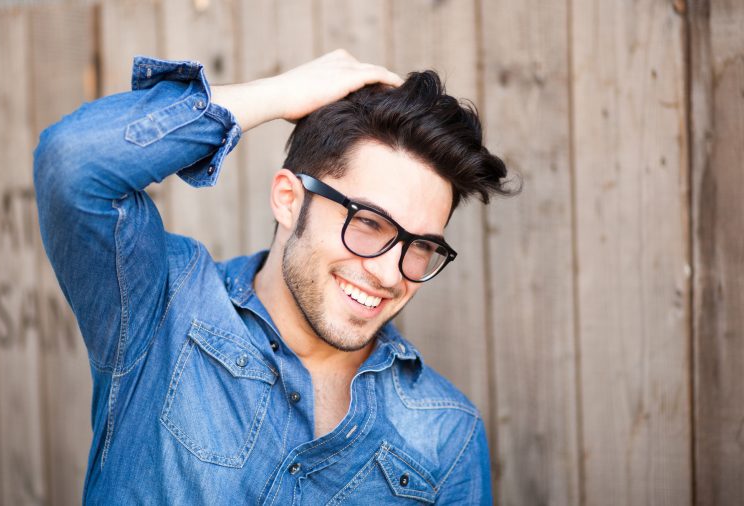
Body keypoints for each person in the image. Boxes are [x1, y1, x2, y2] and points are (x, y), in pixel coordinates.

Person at [34, 49, 511, 505]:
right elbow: (74, 161)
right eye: (368, 223)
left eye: (421, 246)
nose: (390, 274)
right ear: (289, 200)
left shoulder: (448, 434)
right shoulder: (164, 308)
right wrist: (281, 93)